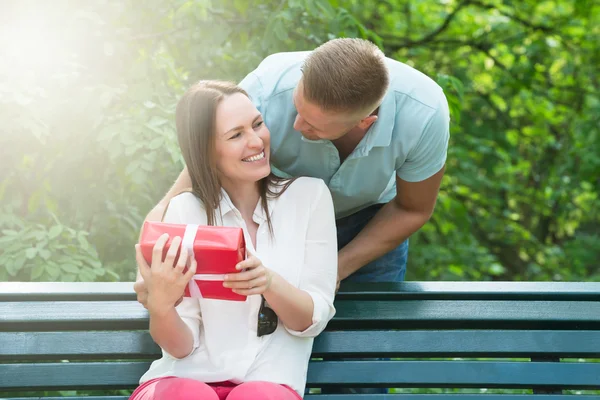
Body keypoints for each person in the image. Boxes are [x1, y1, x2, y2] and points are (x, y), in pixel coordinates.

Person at [137, 38, 449, 292]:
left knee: (369, 355)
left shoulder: (425, 113)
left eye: (313, 125)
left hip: (370, 224)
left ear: (364, 123)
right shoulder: (266, 89)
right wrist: (150, 254)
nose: (297, 125)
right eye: (297, 109)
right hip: (278, 216)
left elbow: (412, 208)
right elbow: (197, 174)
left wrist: (332, 270)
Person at [130, 80, 337, 400]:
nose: (256, 141)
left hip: (271, 381)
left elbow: (311, 320)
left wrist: (268, 281)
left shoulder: (309, 197)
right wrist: (160, 305)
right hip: (183, 380)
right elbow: (181, 349)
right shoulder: (184, 210)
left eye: (257, 124)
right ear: (206, 151)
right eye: (236, 135)